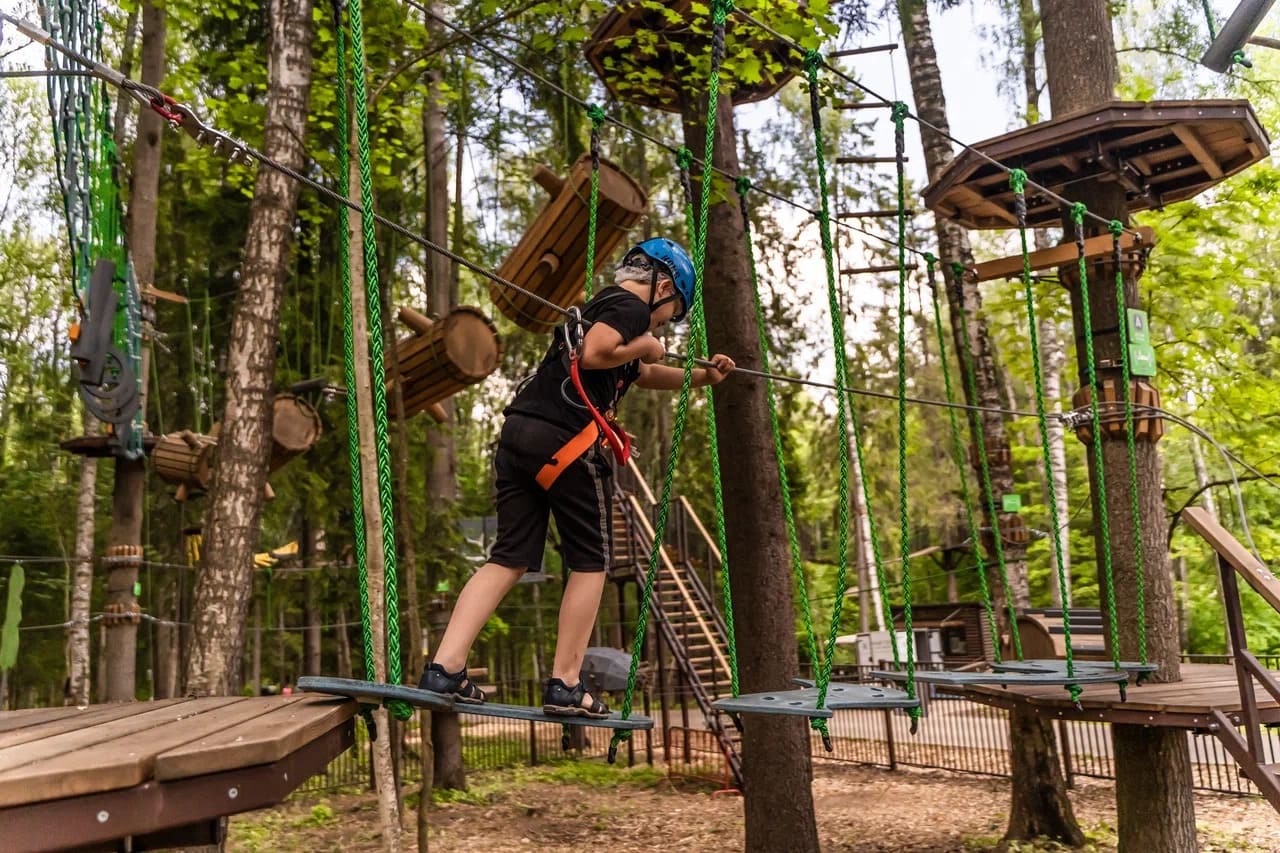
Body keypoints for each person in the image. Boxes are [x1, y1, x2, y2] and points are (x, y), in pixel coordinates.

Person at [419, 238, 735, 718]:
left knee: (509, 556)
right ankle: (565, 681)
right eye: (668, 314)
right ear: (663, 288)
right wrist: (649, 340)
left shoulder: (599, 308)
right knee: (591, 562)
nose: (662, 324)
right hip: (565, 444)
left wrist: (700, 377)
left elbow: (637, 370)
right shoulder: (629, 306)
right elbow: (598, 353)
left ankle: (445, 667)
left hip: (520, 436)